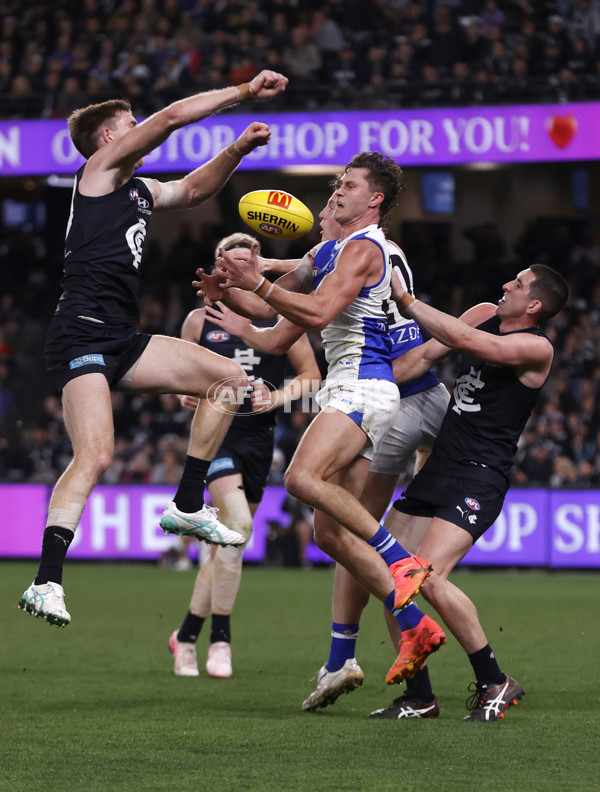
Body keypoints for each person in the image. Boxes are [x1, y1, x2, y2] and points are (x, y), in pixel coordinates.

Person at [17, 70, 288, 628]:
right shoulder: (97, 173)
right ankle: (46, 581)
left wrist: (236, 149)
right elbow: (167, 120)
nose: (140, 130)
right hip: (82, 332)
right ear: (109, 140)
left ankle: (187, 505)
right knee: (96, 455)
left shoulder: (136, 190)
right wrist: (239, 94)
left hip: (123, 336)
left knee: (229, 381)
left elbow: (194, 191)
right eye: (129, 126)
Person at [207, 193, 450, 711]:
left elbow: (310, 306)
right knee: (329, 531)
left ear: (371, 201)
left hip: (368, 386)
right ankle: (387, 635)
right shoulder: (327, 257)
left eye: (341, 191)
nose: (323, 206)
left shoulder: (361, 250)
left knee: (299, 479)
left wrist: (261, 277)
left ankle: (398, 562)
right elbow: (276, 329)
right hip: (359, 389)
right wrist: (234, 293)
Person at [370, 263, 569, 721]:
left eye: (517, 285)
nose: (505, 285)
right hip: (440, 468)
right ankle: (420, 696)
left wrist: (408, 302)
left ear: (534, 305)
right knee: (389, 576)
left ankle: (496, 681)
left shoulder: (535, 348)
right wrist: (351, 387)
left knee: (430, 578)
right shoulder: (482, 313)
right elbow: (421, 360)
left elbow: (471, 344)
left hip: (480, 477)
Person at [168, 232, 320, 678]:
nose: (236, 269)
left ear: (256, 266)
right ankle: (220, 639)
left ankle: (184, 636)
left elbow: (310, 376)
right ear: (218, 268)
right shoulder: (199, 321)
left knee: (223, 550)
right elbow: (182, 376)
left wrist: (275, 398)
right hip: (216, 439)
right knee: (238, 526)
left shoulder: (278, 317)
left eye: (244, 261)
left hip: (258, 440)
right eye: (228, 261)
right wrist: (185, 393)